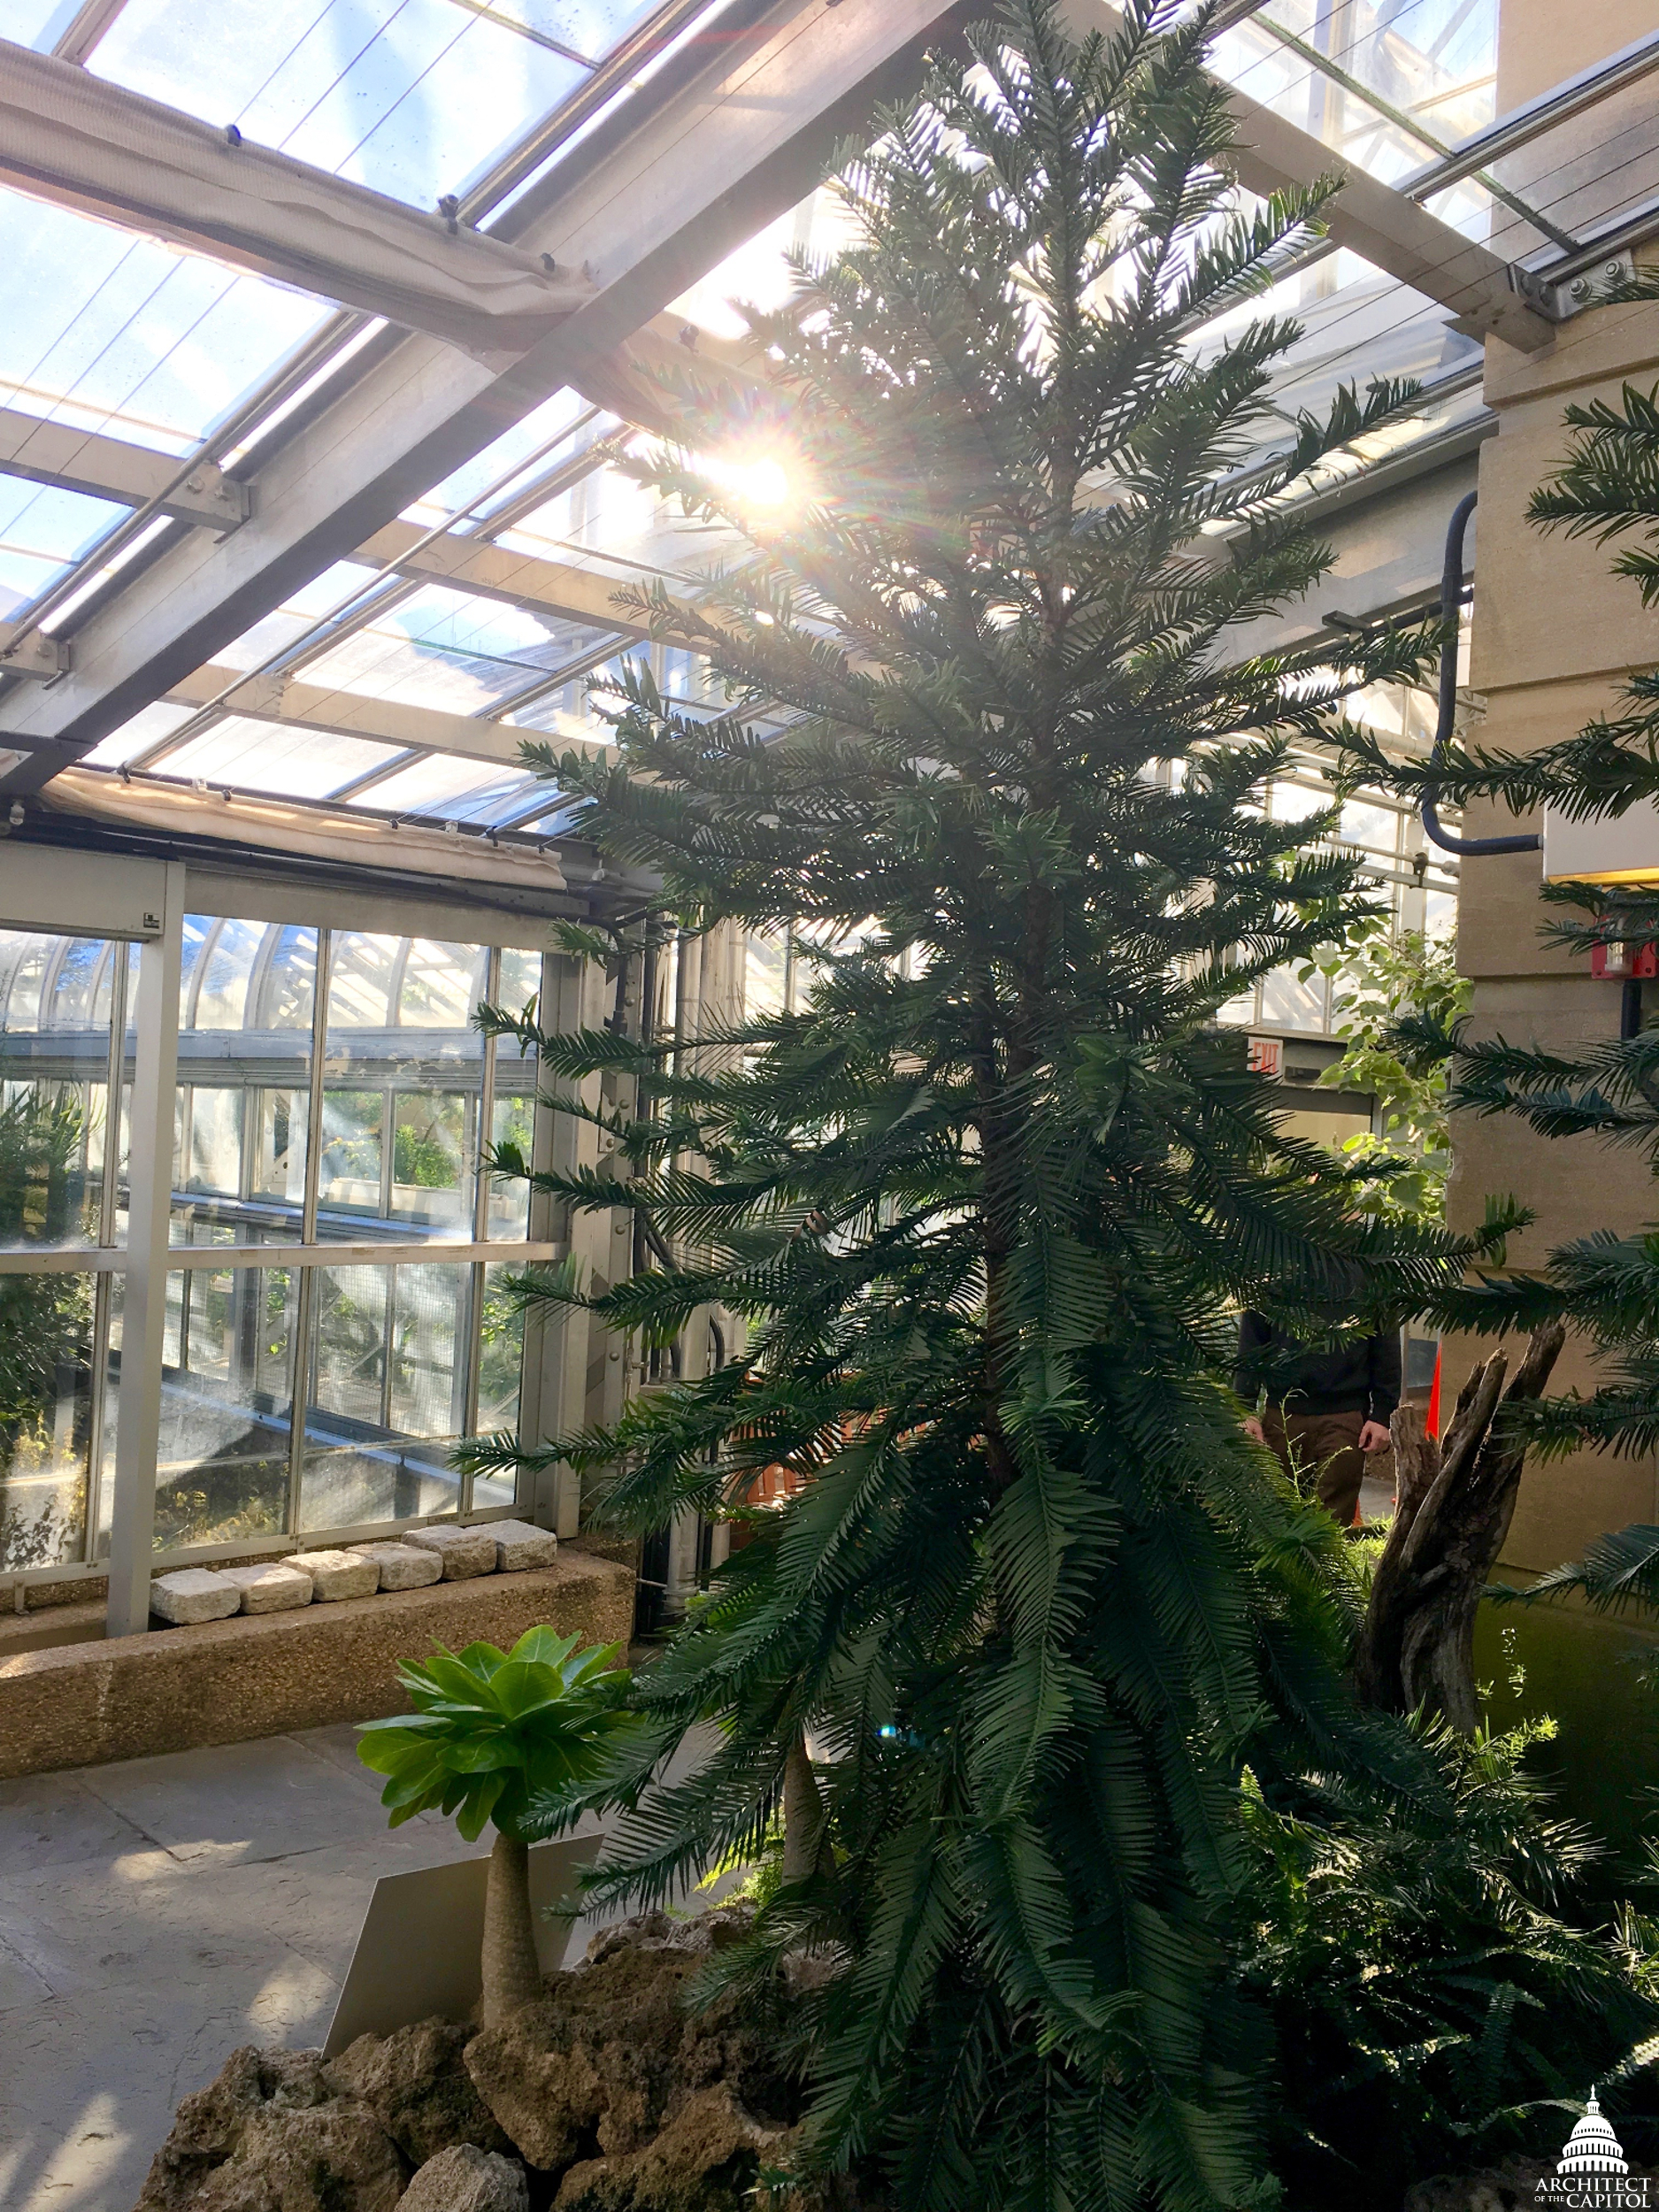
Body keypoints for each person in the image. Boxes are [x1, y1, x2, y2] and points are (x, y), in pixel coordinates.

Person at [1234, 1310, 1398, 1527]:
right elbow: (1251, 1342)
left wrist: (1383, 1414)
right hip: (1282, 1413)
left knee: (1333, 1524)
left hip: (1345, 1414)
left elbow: (1386, 1340)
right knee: (1277, 1518)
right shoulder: (1268, 1278)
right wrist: (1244, 1409)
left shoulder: (1370, 1276)